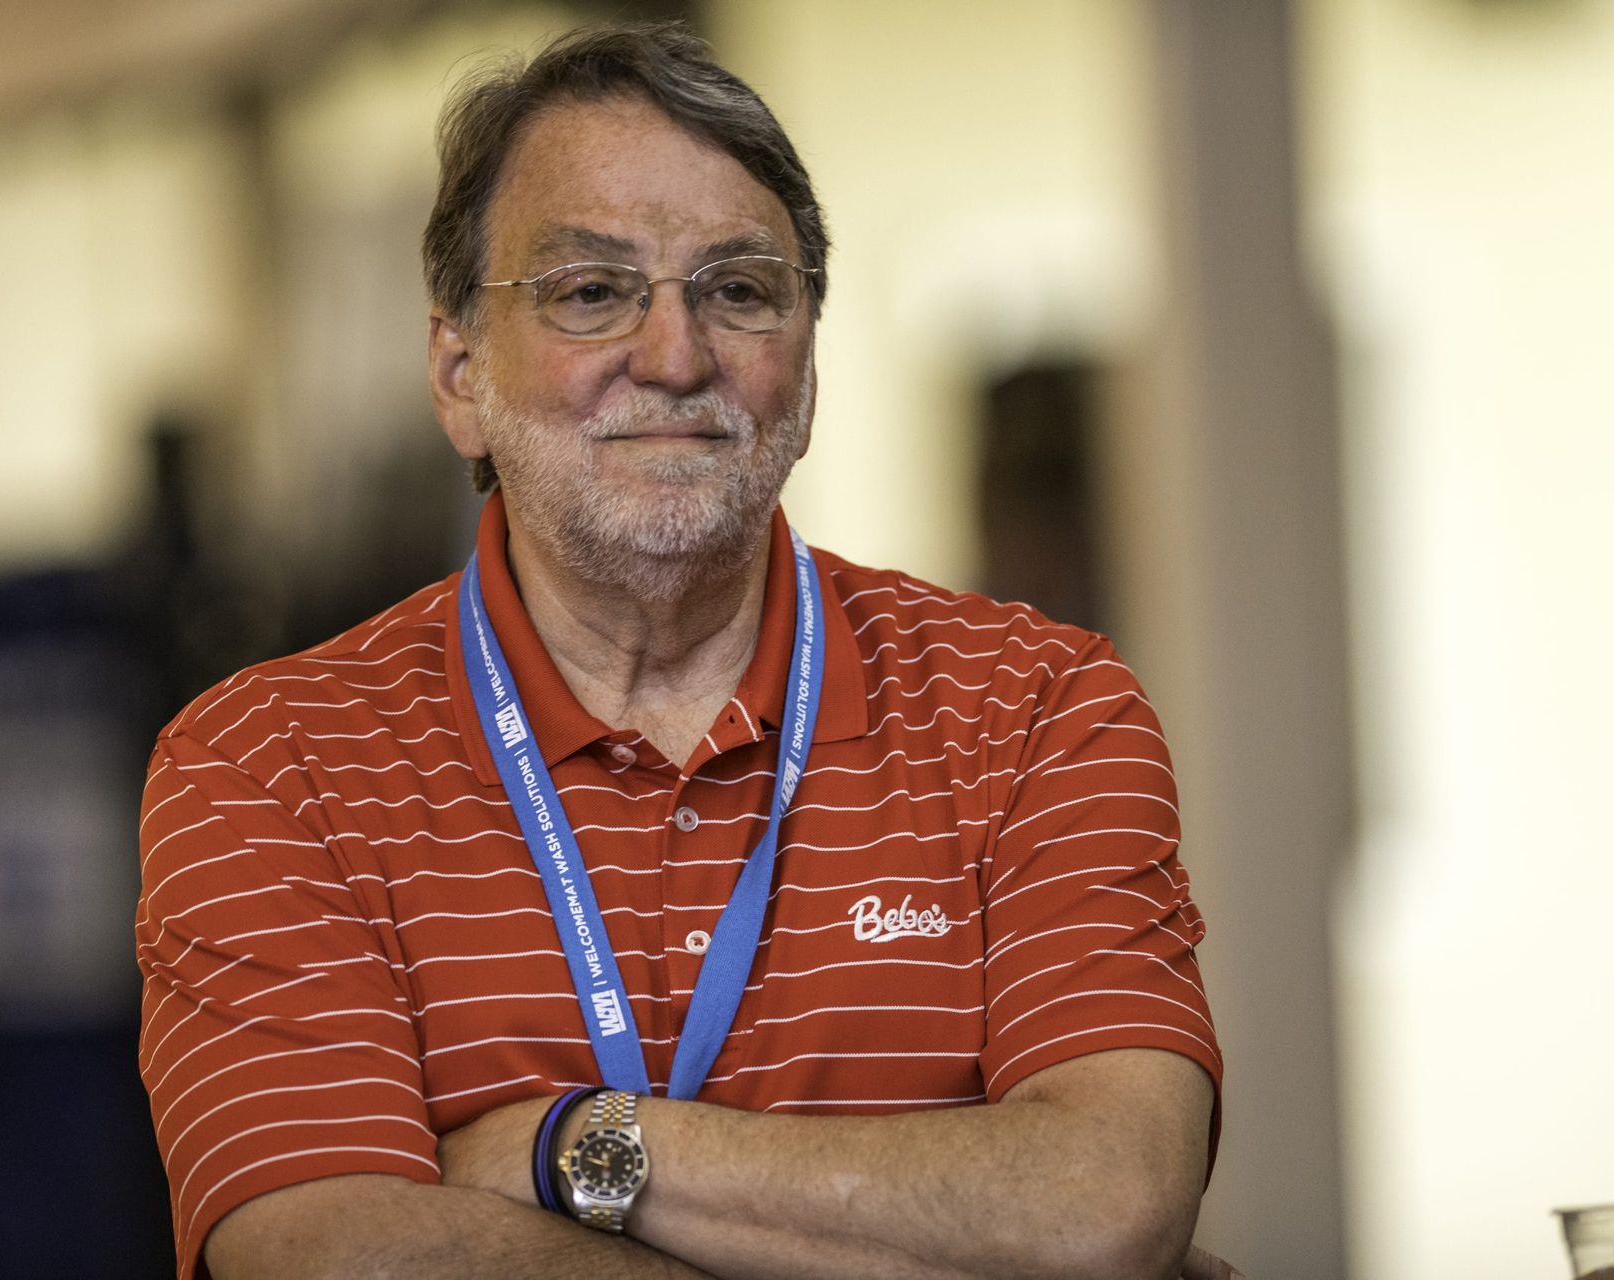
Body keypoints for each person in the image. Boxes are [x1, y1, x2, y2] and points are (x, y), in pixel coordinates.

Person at [137, 22, 1235, 1280]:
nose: (673, 357)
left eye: (739, 290)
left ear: (806, 371)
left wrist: (570, 1145)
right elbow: (339, 1256)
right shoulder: (268, 769)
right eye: (590, 292)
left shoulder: (1034, 709)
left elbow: (1102, 1205)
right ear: (458, 373)